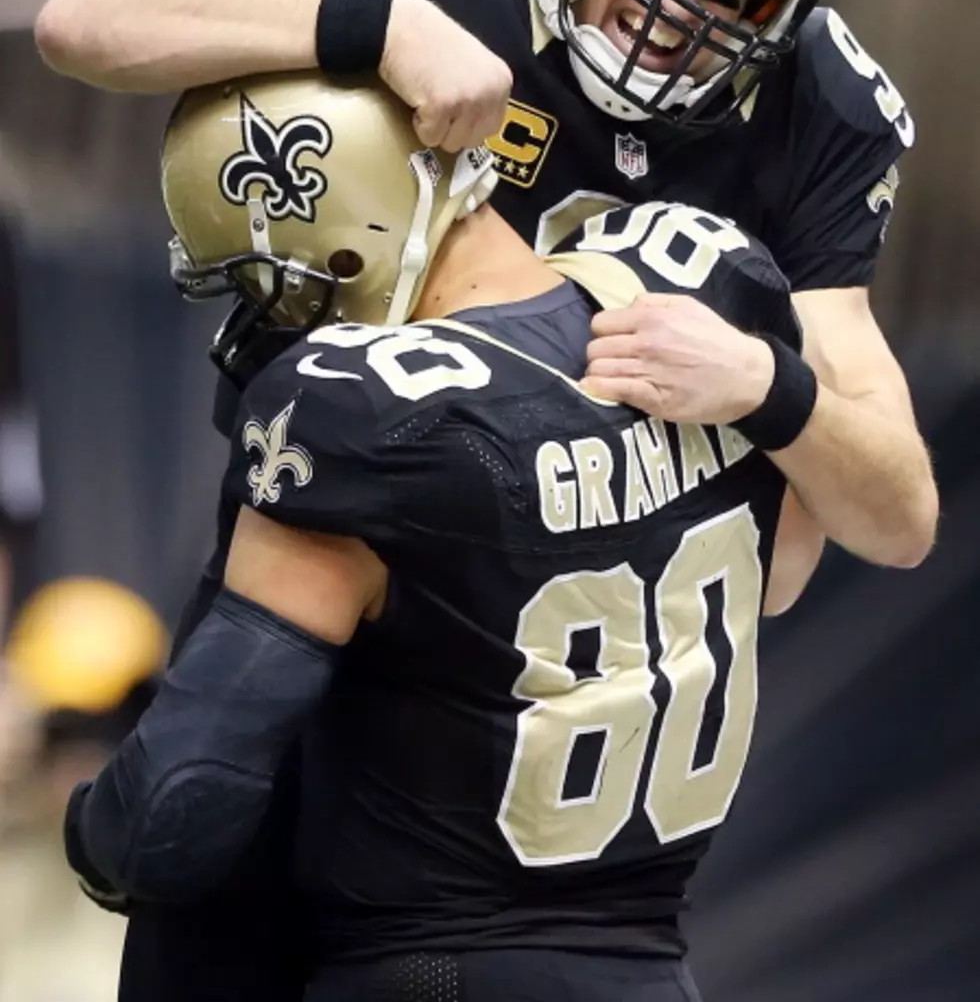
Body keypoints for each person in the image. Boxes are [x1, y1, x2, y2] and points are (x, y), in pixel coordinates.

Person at [36, 0, 937, 998]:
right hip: (324, 553)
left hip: (541, 689)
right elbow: (83, 23)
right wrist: (367, 21)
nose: (675, 5)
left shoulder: (811, 105)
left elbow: (894, 514)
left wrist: (764, 384)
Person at [67, 72, 825, 1002]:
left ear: (348, 240)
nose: (269, 319)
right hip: (649, 970)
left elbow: (173, 812)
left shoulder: (364, 411)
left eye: (274, 282)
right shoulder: (708, 313)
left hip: (424, 971)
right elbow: (788, 563)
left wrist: (89, 831)